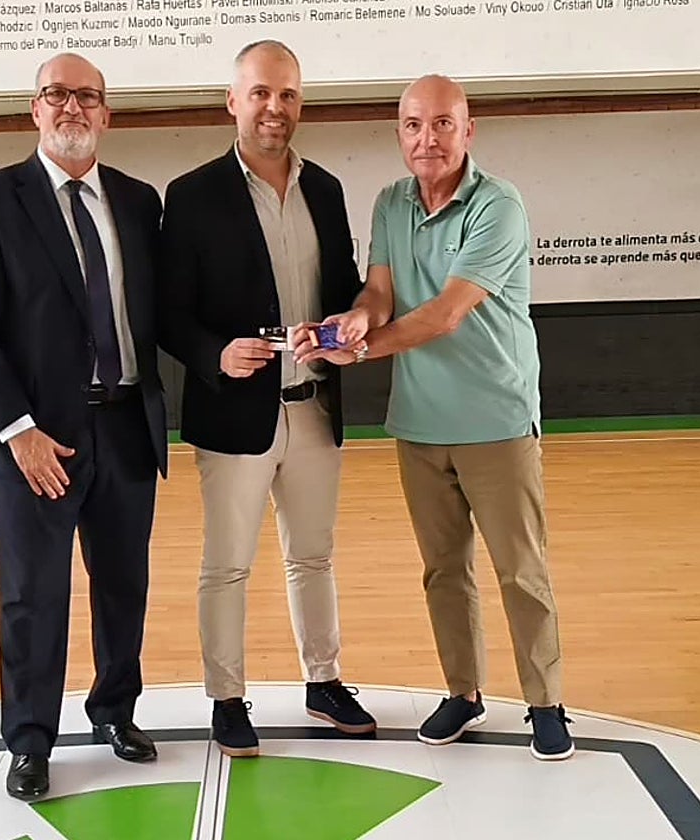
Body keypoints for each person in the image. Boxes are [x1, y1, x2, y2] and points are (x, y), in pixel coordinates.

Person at [296, 74, 574, 760]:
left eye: (443, 124)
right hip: (419, 423)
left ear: (468, 131)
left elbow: (448, 312)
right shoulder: (391, 202)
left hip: (496, 420)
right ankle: (464, 692)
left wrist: (357, 353)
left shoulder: (499, 205)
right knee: (443, 570)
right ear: (400, 134)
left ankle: (546, 702)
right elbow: (382, 292)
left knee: (520, 570)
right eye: (415, 125)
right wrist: (353, 322)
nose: (429, 138)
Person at [0, 52, 169, 800]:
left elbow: (160, 314)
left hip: (127, 428)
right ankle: (31, 741)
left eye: (87, 96)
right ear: (34, 110)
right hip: (37, 442)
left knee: (123, 588)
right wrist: (19, 429)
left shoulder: (139, 203)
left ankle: (115, 710)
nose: (71, 107)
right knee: (33, 596)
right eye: (56, 95)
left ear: (106, 113)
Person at [158, 39, 376, 758]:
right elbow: (168, 313)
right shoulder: (191, 196)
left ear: (300, 102)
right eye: (260, 93)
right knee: (227, 564)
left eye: (286, 95)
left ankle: (325, 681)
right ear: (233, 101)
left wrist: (348, 328)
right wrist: (214, 354)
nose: (274, 108)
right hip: (234, 411)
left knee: (313, 556)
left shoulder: (328, 188)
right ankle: (226, 697)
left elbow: (343, 289)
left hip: (315, 405)